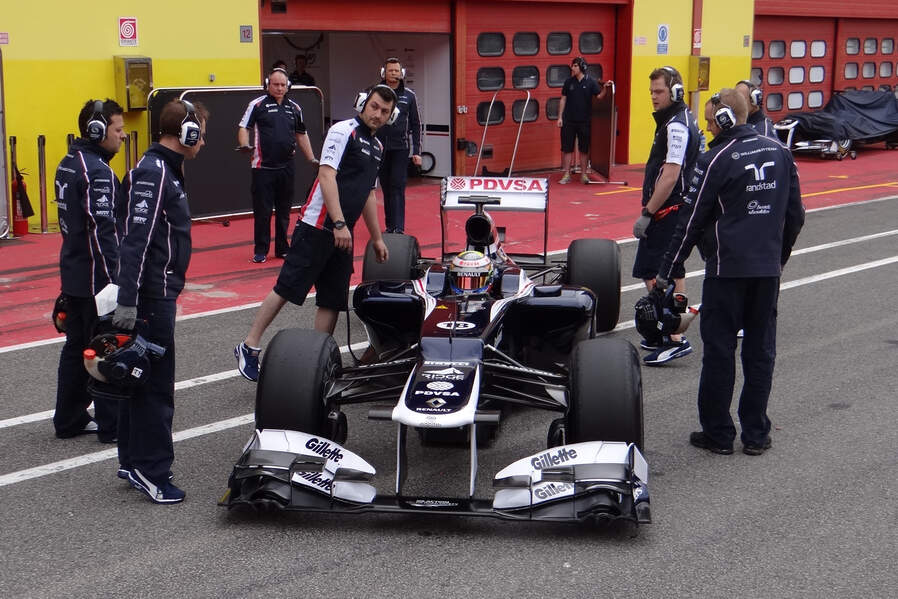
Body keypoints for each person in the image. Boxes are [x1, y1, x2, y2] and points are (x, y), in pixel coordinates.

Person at [655, 88, 804, 456]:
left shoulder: (714, 158)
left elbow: (689, 221)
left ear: (725, 118)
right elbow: (796, 216)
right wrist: (778, 259)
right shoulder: (782, 153)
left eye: (710, 120)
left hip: (726, 272)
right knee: (760, 352)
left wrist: (667, 270)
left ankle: (719, 435)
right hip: (767, 272)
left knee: (720, 353)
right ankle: (756, 434)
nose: (706, 127)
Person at [234, 85, 395, 381]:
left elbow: (369, 193)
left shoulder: (378, 147)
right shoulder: (343, 131)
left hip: (343, 235)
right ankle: (249, 345)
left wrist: (376, 237)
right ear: (363, 104)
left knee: (332, 300)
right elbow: (326, 174)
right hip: (317, 226)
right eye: (374, 107)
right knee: (287, 287)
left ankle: (317, 363)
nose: (378, 115)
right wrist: (338, 223)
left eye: (384, 112)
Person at [113, 99, 208, 503]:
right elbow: (136, 241)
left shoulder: (165, 170)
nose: (203, 139)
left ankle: (133, 461)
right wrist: (128, 301)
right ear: (184, 133)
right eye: (200, 131)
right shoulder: (154, 174)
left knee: (137, 378)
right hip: (152, 296)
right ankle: (154, 472)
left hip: (155, 292)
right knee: (154, 385)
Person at [53, 98, 127, 443]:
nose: (122, 136)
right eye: (117, 129)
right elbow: (103, 230)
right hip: (97, 279)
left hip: (74, 272)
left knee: (75, 348)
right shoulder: (97, 171)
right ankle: (111, 425)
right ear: (97, 130)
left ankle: (68, 418)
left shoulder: (68, 161)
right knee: (104, 347)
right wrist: (115, 282)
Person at [632, 65, 700, 365]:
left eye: (658, 91)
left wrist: (648, 212)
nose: (653, 97)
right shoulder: (680, 120)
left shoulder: (676, 125)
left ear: (675, 92)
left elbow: (670, 175)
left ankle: (674, 336)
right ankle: (666, 331)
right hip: (674, 210)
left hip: (668, 211)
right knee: (672, 270)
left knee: (656, 272)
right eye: (651, 92)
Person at [238, 67, 318, 263]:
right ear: (268, 84)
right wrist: (244, 145)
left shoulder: (295, 108)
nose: (280, 88)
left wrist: (312, 158)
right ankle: (261, 250)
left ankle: (282, 248)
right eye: (276, 84)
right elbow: (243, 127)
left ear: (288, 86)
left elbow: (302, 134)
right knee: (263, 212)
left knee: (284, 211)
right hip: (262, 168)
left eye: (283, 85)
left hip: (287, 167)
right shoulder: (257, 105)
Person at [376, 57, 422, 234]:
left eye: (396, 70)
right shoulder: (375, 93)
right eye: (390, 70)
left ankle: (399, 227)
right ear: (384, 73)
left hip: (401, 148)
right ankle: (390, 226)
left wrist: (417, 151)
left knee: (398, 186)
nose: (393, 73)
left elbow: (416, 124)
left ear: (401, 73)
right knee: (386, 187)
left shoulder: (409, 96)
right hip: (380, 148)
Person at [557, 56, 613, 184]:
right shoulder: (568, 82)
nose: (573, 68)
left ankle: (583, 174)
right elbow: (563, 99)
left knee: (583, 149)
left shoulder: (591, 82)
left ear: (582, 67)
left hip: (584, 121)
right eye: (573, 65)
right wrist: (560, 117)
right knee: (567, 148)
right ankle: (566, 174)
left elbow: (599, 96)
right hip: (569, 120)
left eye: (575, 66)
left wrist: (605, 88)